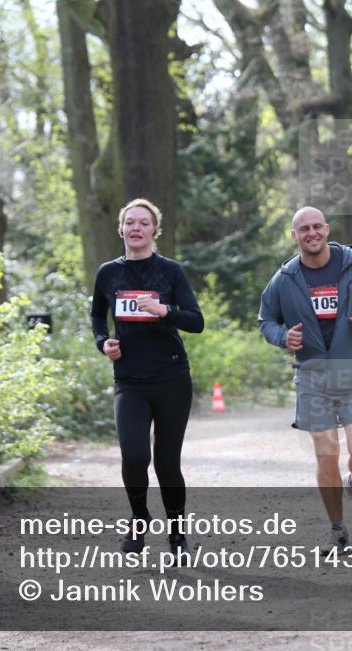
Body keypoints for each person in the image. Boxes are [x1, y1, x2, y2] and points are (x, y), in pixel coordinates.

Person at [259, 207, 352, 552]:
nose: (311, 233)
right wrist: (282, 337)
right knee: (326, 455)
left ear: (327, 228)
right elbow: (266, 321)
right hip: (311, 375)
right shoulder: (285, 278)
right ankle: (337, 530)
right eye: (303, 229)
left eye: (316, 226)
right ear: (295, 236)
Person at [91, 198, 204, 555]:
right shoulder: (108, 273)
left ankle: (177, 533)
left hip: (171, 377)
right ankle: (139, 520)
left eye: (144, 223)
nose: (136, 228)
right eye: (130, 223)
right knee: (134, 455)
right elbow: (97, 316)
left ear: (155, 230)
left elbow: (196, 321)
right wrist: (102, 342)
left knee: (167, 462)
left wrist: (165, 310)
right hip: (130, 380)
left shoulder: (171, 272)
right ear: (121, 229)